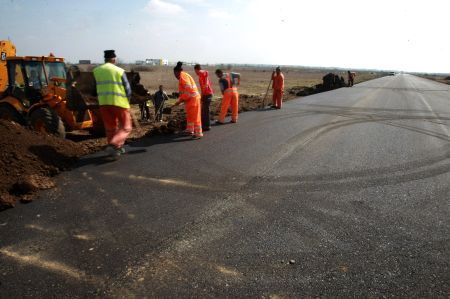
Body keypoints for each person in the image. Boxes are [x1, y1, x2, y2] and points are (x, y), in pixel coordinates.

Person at [93, 50, 132, 159]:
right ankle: (114, 144)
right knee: (126, 127)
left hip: (104, 103)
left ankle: (115, 150)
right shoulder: (119, 71)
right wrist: (127, 101)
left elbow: (93, 89)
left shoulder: (96, 71)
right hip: (119, 103)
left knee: (110, 128)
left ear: (105, 59)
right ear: (114, 59)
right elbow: (128, 89)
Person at [170, 62, 203, 139]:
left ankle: (198, 133)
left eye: (175, 74)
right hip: (190, 99)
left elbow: (188, 90)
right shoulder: (183, 76)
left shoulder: (183, 76)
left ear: (177, 72)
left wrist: (182, 100)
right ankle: (190, 130)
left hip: (193, 99)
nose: (175, 76)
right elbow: (184, 92)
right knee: (190, 115)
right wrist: (180, 100)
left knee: (195, 116)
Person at [194, 64, 214, 131]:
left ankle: (206, 126)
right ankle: (206, 125)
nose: (195, 73)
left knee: (205, 110)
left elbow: (204, 86)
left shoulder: (201, 74)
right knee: (205, 110)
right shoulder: (204, 74)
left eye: (195, 71)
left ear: (196, 69)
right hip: (209, 93)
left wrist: (202, 96)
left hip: (206, 94)